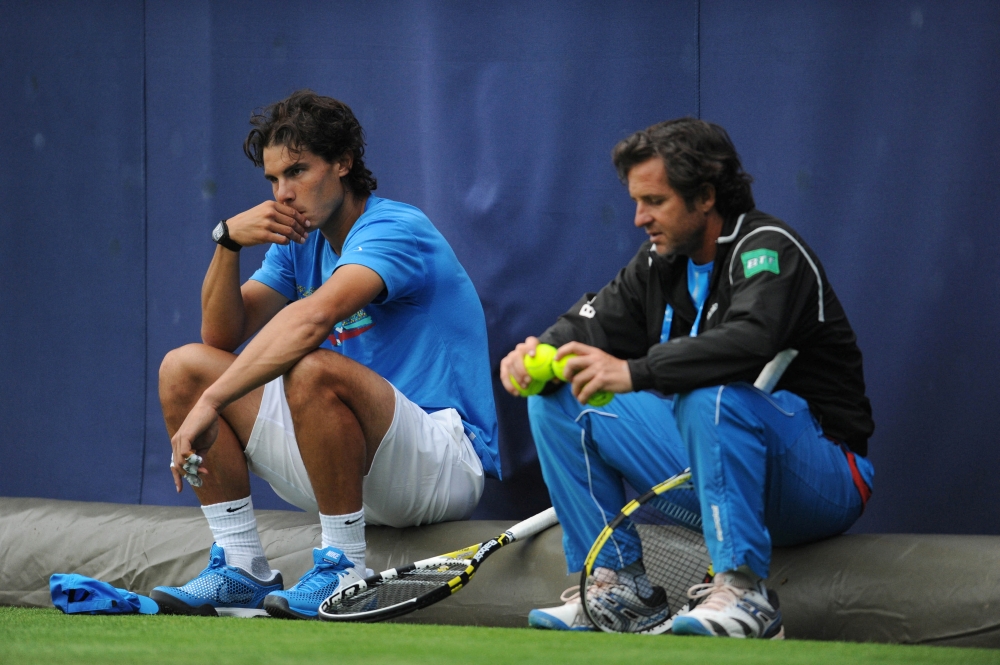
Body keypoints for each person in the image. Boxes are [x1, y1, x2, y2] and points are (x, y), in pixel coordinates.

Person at [500, 118, 874, 638]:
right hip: (711, 466)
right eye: (636, 201)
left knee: (708, 394)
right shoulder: (660, 261)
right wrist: (536, 353)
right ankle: (620, 588)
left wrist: (635, 371)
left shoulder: (770, 248)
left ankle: (744, 594)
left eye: (655, 201)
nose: (638, 218)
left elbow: (748, 342)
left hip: (822, 476)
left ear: (705, 197)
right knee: (557, 397)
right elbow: (590, 323)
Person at [152, 90, 499, 620]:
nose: (283, 193)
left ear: (343, 163)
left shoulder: (396, 229)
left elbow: (312, 318)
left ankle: (344, 569)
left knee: (310, 367)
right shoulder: (298, 241)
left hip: (441, 460)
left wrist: (214, 403)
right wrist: (226, 243)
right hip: (350, 459)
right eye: (273, 180)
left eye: (297, 171)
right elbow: (220, 334)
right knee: (184, 369)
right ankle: (240, 567)